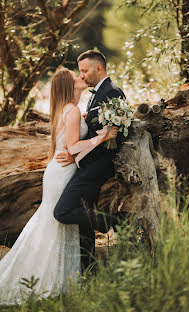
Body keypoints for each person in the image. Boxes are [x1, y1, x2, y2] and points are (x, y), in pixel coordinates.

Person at [0, 68, 117, 305]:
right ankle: (46, 280)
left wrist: (82, 128)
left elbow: (69, 144)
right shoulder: (71, 110)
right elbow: (73, 147)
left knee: (52, 223)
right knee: (56, 221)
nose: (80, 77)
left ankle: (53, 277)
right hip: (62, 173)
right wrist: (104, 137)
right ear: (68, 86)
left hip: (58, 170)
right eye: (76, 77)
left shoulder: (67, 110)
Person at [54, 50, 127, 270]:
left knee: (66, 211)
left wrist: (76, 151)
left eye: (85, 70)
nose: (82, 75)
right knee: (84, 213)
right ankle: (86, 265)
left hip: (97, 164)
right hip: (86, 161)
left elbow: (116, 133)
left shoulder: (112, 92)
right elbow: (95, 128)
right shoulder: (97, 94)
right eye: (80, 72)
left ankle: (119, 220)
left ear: (99, 68)